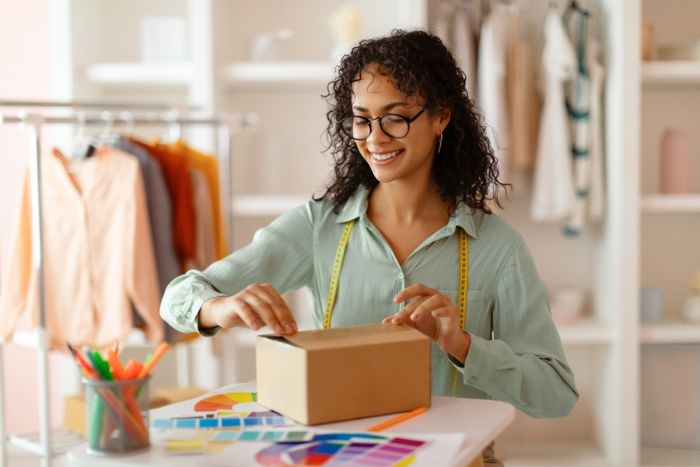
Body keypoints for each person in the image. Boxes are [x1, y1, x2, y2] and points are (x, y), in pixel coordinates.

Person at [161, 30, 578, 425]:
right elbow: (177, 297)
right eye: (362, 119)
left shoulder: (496, 247)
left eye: (394, 118)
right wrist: (218, 307)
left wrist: (463, 346)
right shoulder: (317, 226)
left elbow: (557, 395)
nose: (374, 138)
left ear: (441, 118)